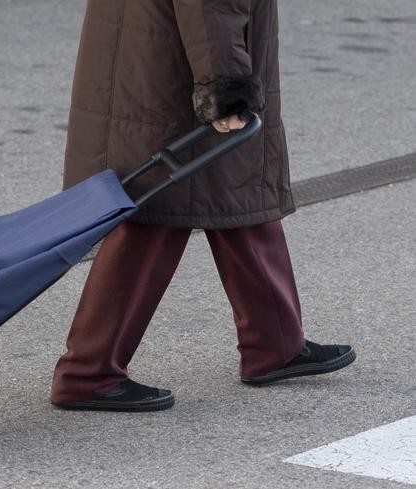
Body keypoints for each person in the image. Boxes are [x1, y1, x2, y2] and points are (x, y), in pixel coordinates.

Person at [50, 0, 356, 412]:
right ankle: (87, 373)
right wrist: (226, 89)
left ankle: (276, 344)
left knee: (238, 194)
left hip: (152, 62)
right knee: (156, 216)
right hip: (175, 76)